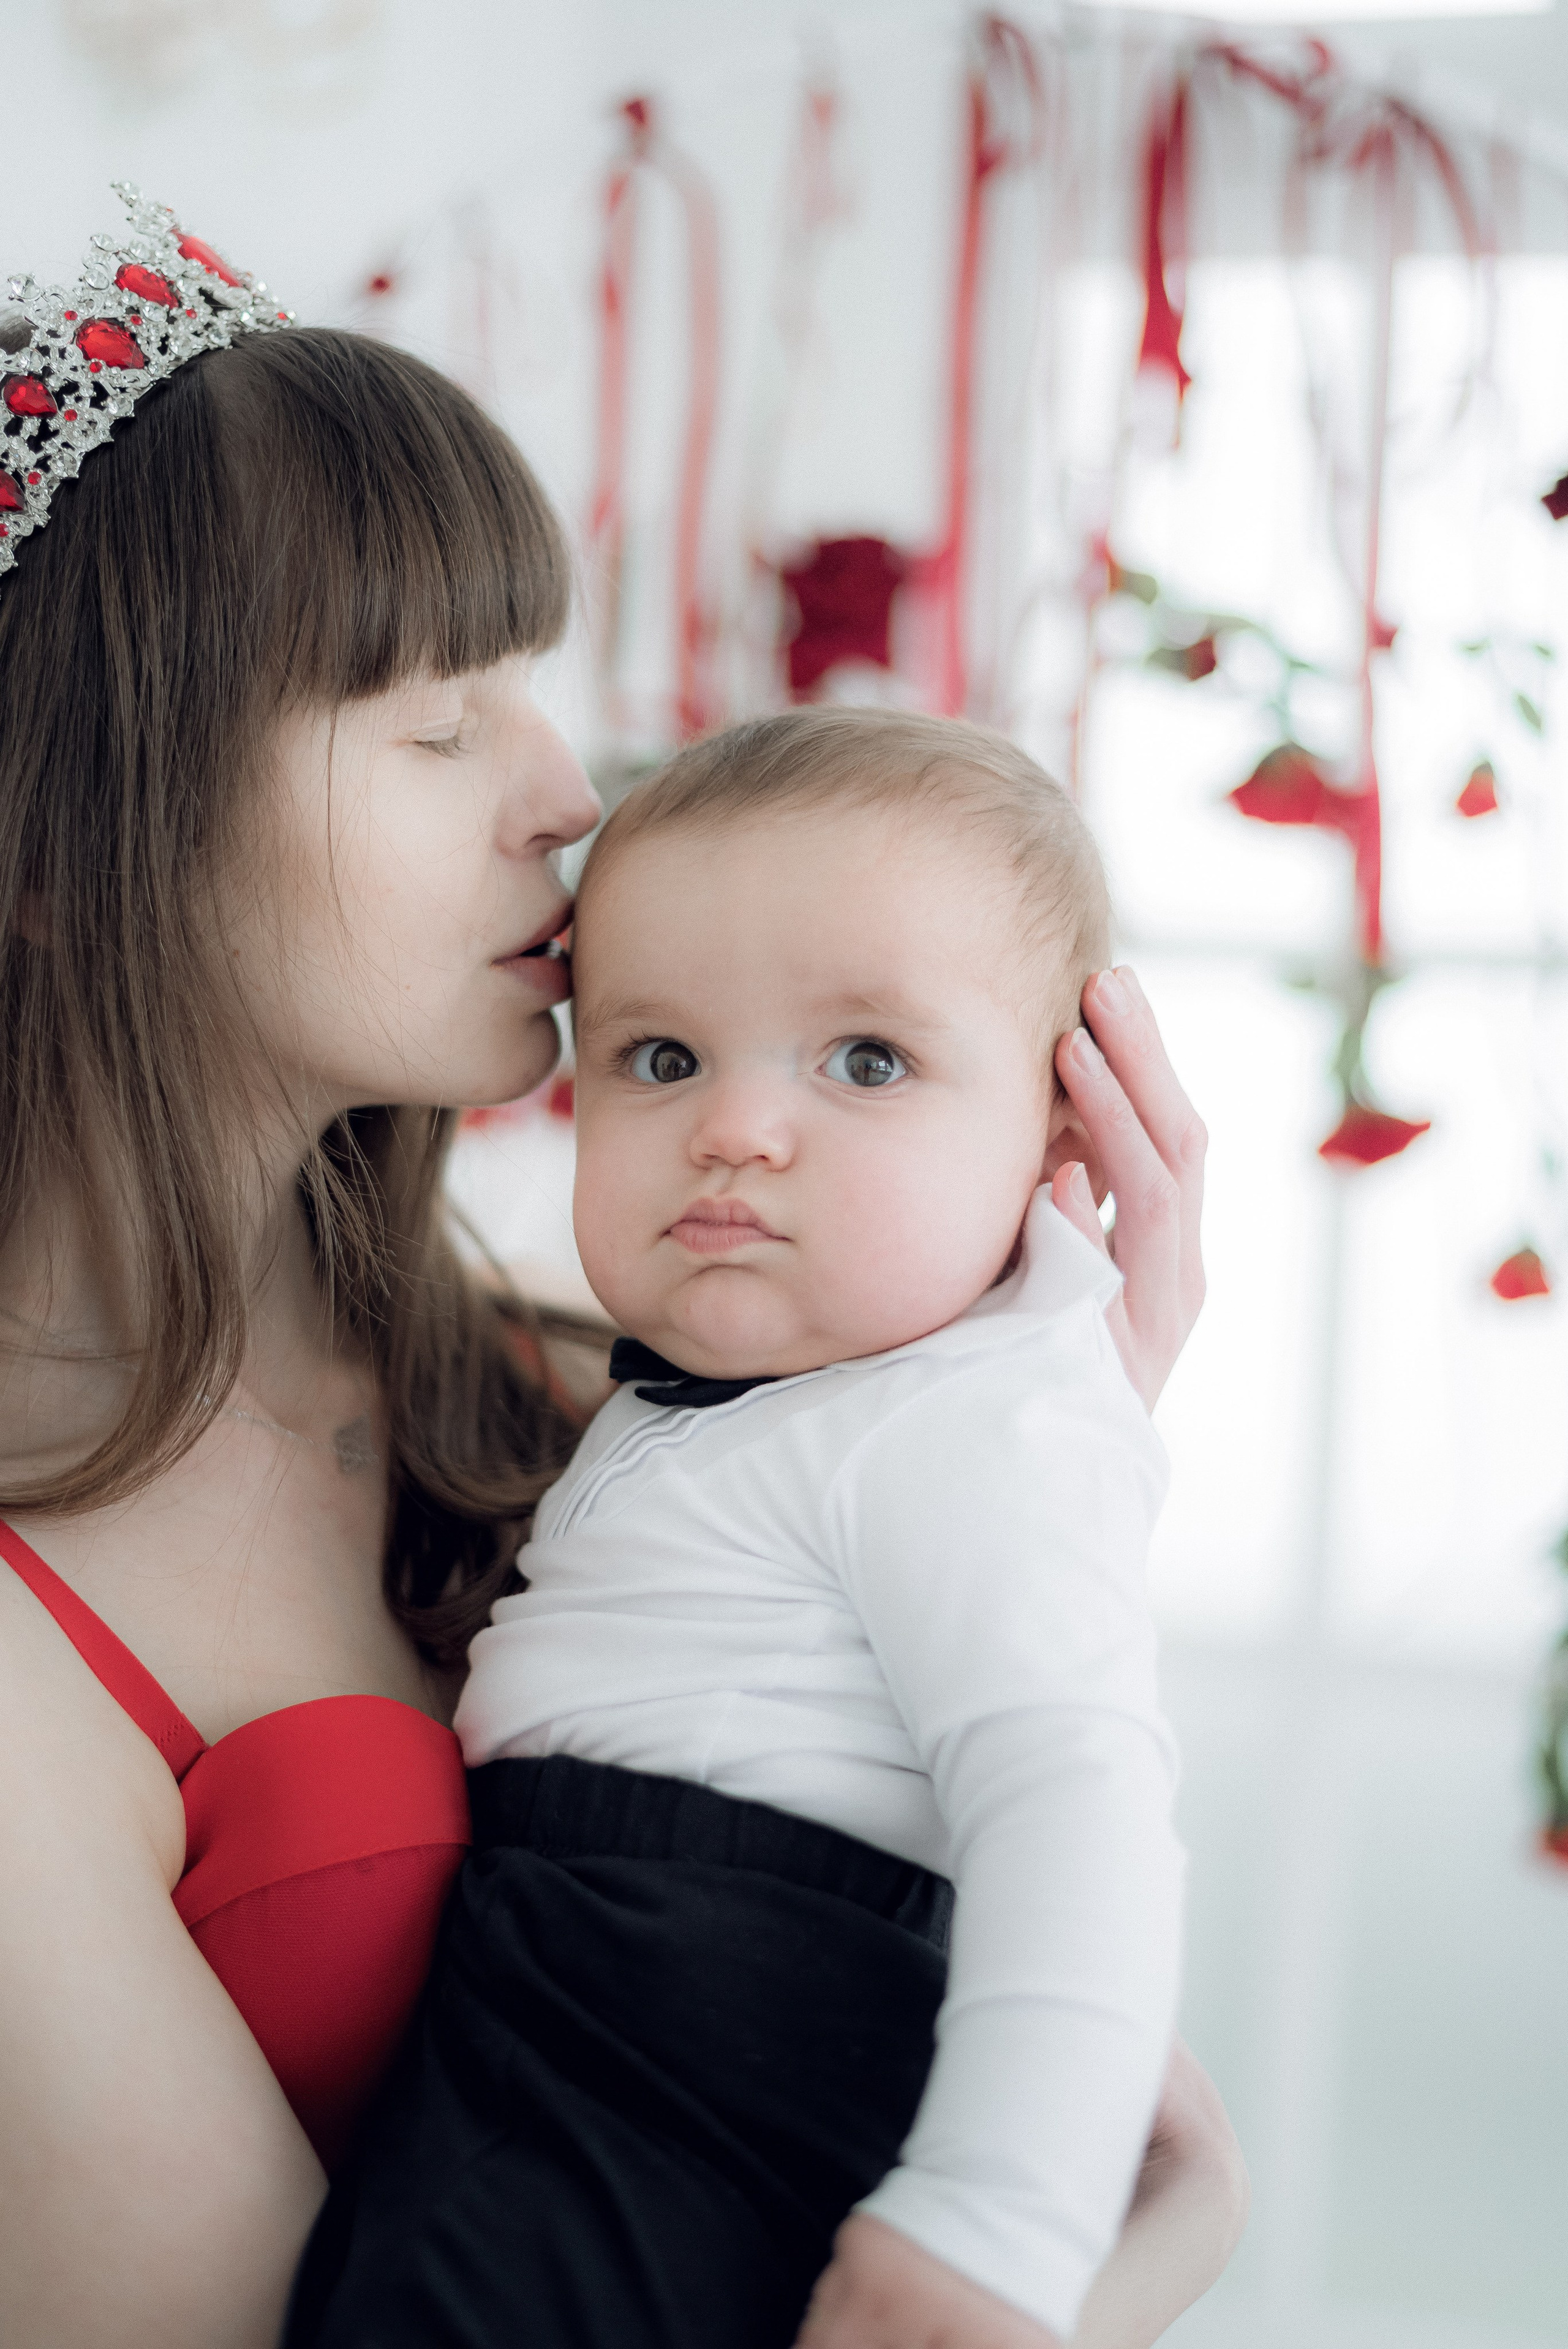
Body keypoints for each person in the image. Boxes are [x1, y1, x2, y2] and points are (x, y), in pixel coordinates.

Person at [0, 189, 1235, 2349]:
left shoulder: (585, 1396)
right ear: (83, 810)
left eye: (533, 692)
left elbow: (973, 1901)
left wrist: (1036, 1388)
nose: (566, 794)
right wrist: (1126, 2274)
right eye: (434, 715)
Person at [287, 709, 1211, 2349]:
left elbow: (1077, 1801)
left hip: (730, 2016)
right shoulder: (762, 1392)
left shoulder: (971, 1423)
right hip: (585, 1996)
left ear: (1063, 1130)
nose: (732, 1126)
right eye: (660, 1055)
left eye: (867, 1059)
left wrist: (995, 2222)